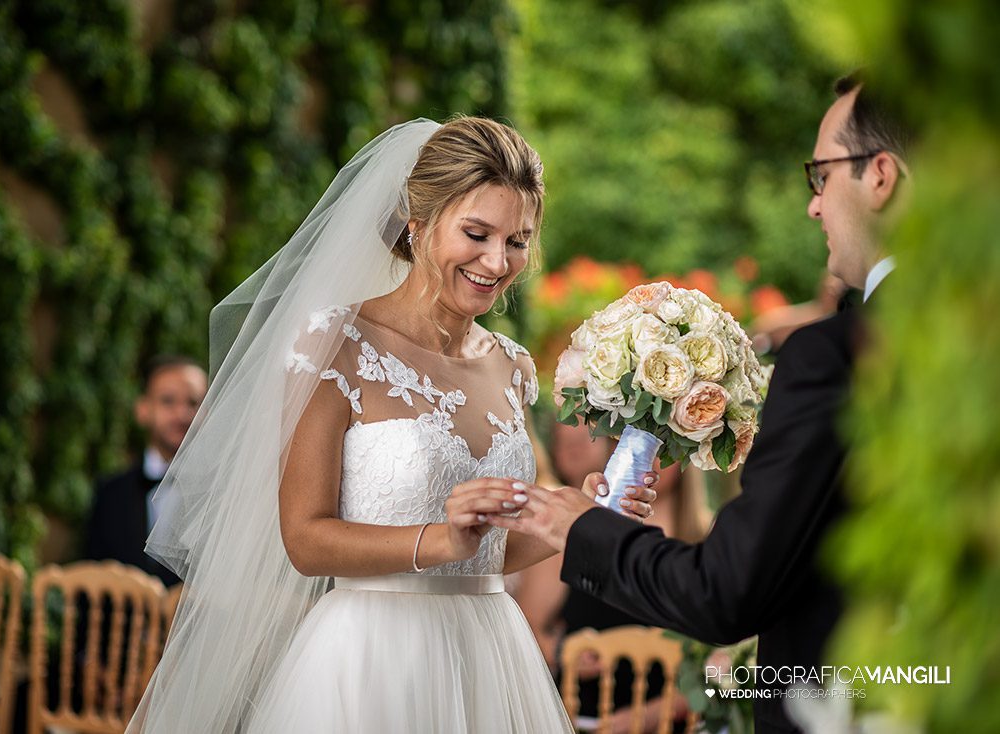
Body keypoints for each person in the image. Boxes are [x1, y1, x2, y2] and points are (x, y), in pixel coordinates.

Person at [128, 117, 654, 732]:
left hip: (488, 654)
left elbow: (493, 550)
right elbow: (304, 538)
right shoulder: (335, 341)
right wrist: (440, 540)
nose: (496, 261)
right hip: (372, 658)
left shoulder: (511, 365)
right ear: (419, 224)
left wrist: (577, 517)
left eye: (517, 241)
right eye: (477, 233)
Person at [487, 70, 912, 733]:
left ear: (880, 175)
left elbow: (728, 589)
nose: (814, 205)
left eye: (821, 175)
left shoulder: (836, 353)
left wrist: (582, 529)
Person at [514, 421, 706, 733]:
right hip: (585, 718)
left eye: (664, 449)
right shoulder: (586, 536)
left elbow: (723, 667)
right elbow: (528, 627)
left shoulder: (705, 547)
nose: (653, 462)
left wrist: (651, 714)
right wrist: (563, 652)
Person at [84, 355, 206, 587]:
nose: (181, 414)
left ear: (207, 412)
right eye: (168, 401)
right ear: (143, 410)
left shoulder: (222, 495)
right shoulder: (110, 493)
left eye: (193, 403)